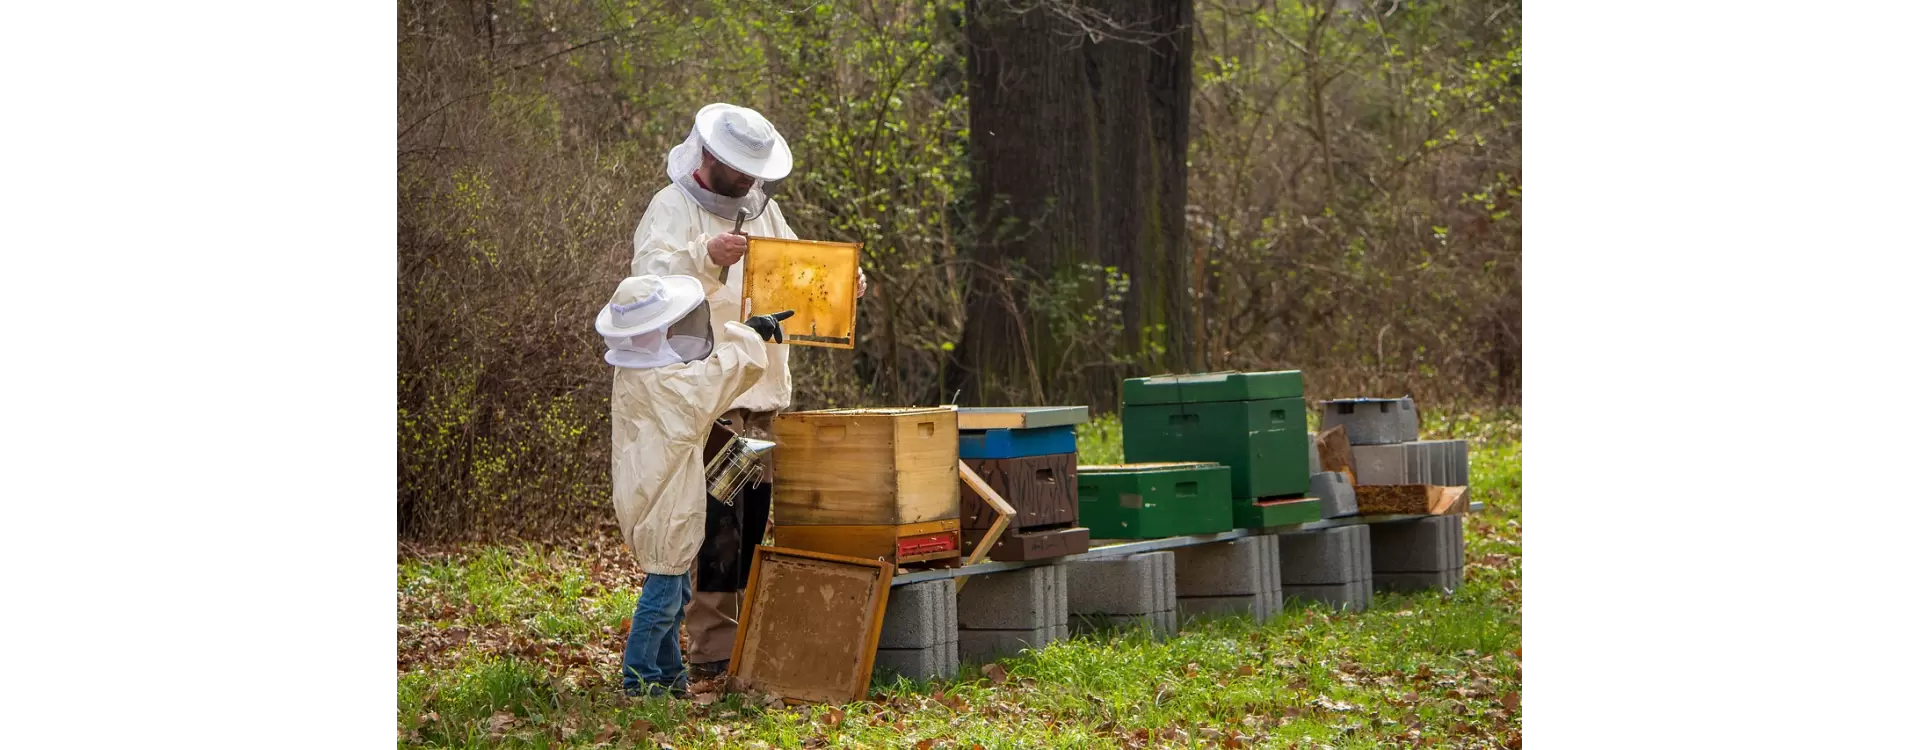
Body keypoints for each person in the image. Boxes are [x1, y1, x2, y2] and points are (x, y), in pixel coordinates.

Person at [629, 102, 866, 682]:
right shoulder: (671, 207)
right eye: (738, 169)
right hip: (708, 394)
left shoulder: (765, 209)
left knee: (752, 521)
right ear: (709, 156)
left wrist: (843, 285)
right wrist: (703, 257)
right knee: (717, 525)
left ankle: (741, 641)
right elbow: (644, 288)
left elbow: (800, 279)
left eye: (754, 171)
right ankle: (712, 646)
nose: (747, 180)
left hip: (762, 397)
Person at [599, 272, 792, 698]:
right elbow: (711, 382)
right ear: (652, 331)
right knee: (663, 595)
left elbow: (697, 380)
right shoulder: (663, 386)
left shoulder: (635, 375)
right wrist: (748, 334)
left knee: (675, 588)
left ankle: (669, 675)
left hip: (654, 494)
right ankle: (638, 679)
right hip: (663, 503)